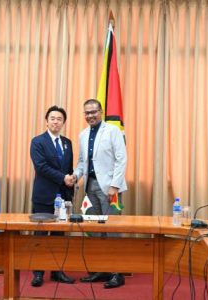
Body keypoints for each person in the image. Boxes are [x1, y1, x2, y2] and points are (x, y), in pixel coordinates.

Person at [73, 99, 127, 289]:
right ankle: (102, 269)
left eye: (93, 112)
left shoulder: (113, 131)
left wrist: (115, 186)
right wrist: (75, 175)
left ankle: (117, 273)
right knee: (94, 230)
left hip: (110, 189)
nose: (90, 116)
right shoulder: (83, 134)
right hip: (90, 188)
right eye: (87, 113)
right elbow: (82, 162)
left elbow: (122, 159)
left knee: (112, 230)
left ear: (101, 112)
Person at [29, 105, 76, 287]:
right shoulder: (38, 141)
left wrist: (72, 178)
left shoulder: (67, 142)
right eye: (53, 118)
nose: (56, 121)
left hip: (63, 196)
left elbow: (69, 168)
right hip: (44, 196)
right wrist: (63, 177)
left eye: (59, 119)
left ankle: (57, 271)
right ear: (47, 121)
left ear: (64, 122)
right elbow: (41, 167)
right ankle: (38, 273)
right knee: (40, 236)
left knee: (59, 237)